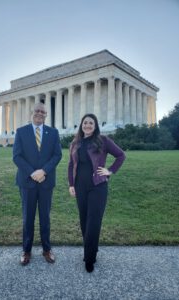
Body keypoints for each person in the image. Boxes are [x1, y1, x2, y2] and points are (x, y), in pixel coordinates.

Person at [68, 113, 126, 273]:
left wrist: (110, 171)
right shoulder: (75, 143)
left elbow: (121, 155)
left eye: (91, 123)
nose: (87, 125)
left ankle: (89, 258)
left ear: (95, 126)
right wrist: (71, 184)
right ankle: (90, 249)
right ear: (81, 125)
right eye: (85, 122)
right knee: (84, 221)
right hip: (80, 187)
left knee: (93, 222)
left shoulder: (103, 140)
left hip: (98, 187)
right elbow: (70, 165)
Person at [13, 102, 62, 266]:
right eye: (37, 111)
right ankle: (26, 251)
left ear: (46, 115)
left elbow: (57, 155)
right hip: (27, 182)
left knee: (45, 218)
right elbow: (17, 156)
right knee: (27, 218)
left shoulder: (53, 133)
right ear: (31, 112)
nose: (40, 113)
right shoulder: (21, 132)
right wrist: (33, 173)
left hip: (46, 182)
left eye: (43, 112)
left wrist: (44, 171)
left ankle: (47, 250)